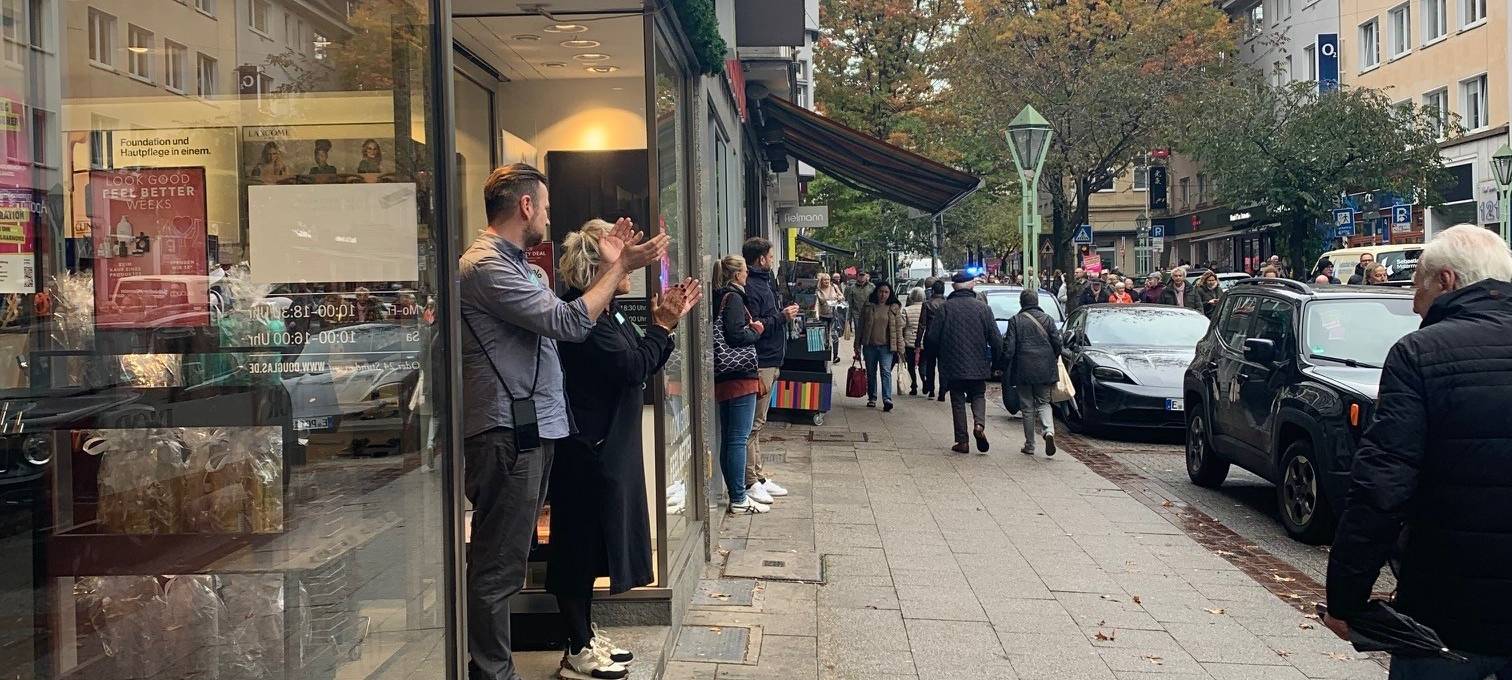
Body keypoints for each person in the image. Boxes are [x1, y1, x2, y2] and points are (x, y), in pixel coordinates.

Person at [459, 163, 666, 680]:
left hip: (535, 430)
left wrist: (613, 269)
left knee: (509, 561)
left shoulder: (524, 269)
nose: (549, 218)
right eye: (546, 207)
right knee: (498, 568)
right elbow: (569, 322)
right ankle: (492, 672)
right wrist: (619, 267)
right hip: (506, 432)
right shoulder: (486, 267)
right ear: (525, 205)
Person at [1323, 225, 1512, 679]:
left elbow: (1382, 488)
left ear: (1446, 281)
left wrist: (1346, 598)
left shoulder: (1420, 353)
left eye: (1416, 286)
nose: (1413, 303)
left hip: (1446, 616)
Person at [552, 220, 701, 675]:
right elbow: (633, 366)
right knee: (578, 549)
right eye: (623, 259)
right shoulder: (585, 318)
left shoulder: (608, 313)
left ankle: (585, 635)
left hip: (605, 446)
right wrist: (663, 326)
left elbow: (641, 359)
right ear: (598, 265)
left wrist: (661, 329)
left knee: (593, 545)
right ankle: (577, 646)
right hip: (587, 451)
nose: (632, 269)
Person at [709, 255, 770, 517]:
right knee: (738, 438)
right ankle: (738, 497)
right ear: (736, 275)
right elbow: (735, 335)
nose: (747, 275)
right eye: (745, 271)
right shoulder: (734, 298)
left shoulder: (719, 296)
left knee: (730, 437)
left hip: (725, 376)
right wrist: (755, 330)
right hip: (739, 375)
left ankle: (736, 493)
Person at [741, 238, 797, 506]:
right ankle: (749, 480)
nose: (773, 260)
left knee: (759, 422)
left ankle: (758, 476)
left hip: (772, 358)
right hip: (761, 359)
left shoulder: (766, 283)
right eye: (770, 256)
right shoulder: (753, 286)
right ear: (761, 259)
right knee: (753, 423)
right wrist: (781, 316)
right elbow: (756, 325)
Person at [925, 271, 1001, 453]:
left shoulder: (945, 308)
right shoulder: (983, 309)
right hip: (978, 363)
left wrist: (935, 359)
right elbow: (996, 340)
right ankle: (979, 425)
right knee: (978, 394)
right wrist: (997, 364)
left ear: (953, 287)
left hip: (952, 363)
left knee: (957, 399)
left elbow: (932, 338)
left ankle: (962, 441)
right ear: (972, 285)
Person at [1001, 288, 1061, 456]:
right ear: (1037, 302)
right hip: (1045, 368)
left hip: (1023, 368)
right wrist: (1053, 358)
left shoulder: (1015, 320)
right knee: (1044, 402)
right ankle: (1048, 431)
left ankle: (1030, 445)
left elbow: (1009, 348)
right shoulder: (1048, 319)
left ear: (1021, 303)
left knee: (1027, 407)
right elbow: (1057, 344)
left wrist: (1003, 365)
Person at [854, 281, 904, 411]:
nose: (883, 295)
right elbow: (860, 327)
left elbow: (898, 330)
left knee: (886, 371)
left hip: (886, 347)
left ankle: (887, 398)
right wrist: (857, 345)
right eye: (881, 291)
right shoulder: (868, 306)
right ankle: (872, 397)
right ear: (876, 292)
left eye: (886, 292)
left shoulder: (894, 308)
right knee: (871, 372)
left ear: (890, 294)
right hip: (870, 346)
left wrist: (900, 348)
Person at [916, 280, 948, 400]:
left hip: (930, 337)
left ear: (933, 290)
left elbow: (922, 325)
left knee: (930, 365)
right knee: (943, 366)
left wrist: (918, 342)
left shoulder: (927, 304)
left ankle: (931, 390)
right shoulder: (947, 304)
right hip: (944, 338)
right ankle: (942, 392)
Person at [902, 287, 926, 395]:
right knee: (923, 364)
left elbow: (902, 326)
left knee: (911, 365)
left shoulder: (906, 310)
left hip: (909, 342)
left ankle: (914, 385)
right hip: (923, 341)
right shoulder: (926, 308)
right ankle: (925, 382)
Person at [816, 271, 844, 362]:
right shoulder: (818, 290)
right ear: (821, 281)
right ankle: (824, 356)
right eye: (824, 280)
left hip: (833, 315)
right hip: (822, 315)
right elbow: (816, 304)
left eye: (828, 279)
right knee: (823, 336)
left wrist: (839, 298)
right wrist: (816, 315)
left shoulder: (834, 287)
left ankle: (835, 356)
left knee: (834, 334)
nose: (827, 281)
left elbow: (842, 296)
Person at [845, 271, 875, 339]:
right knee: (858, 332)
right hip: (857, 313)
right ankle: (858, 344)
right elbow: (850, 303)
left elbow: (876, 300)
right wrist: (849, 317)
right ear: (857, 276)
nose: (861, 277)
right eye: (860, 275)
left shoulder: (872, 286)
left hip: (869, 313)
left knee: (869, 331)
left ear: (866, 276)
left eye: (863, 275)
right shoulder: (852, 288)